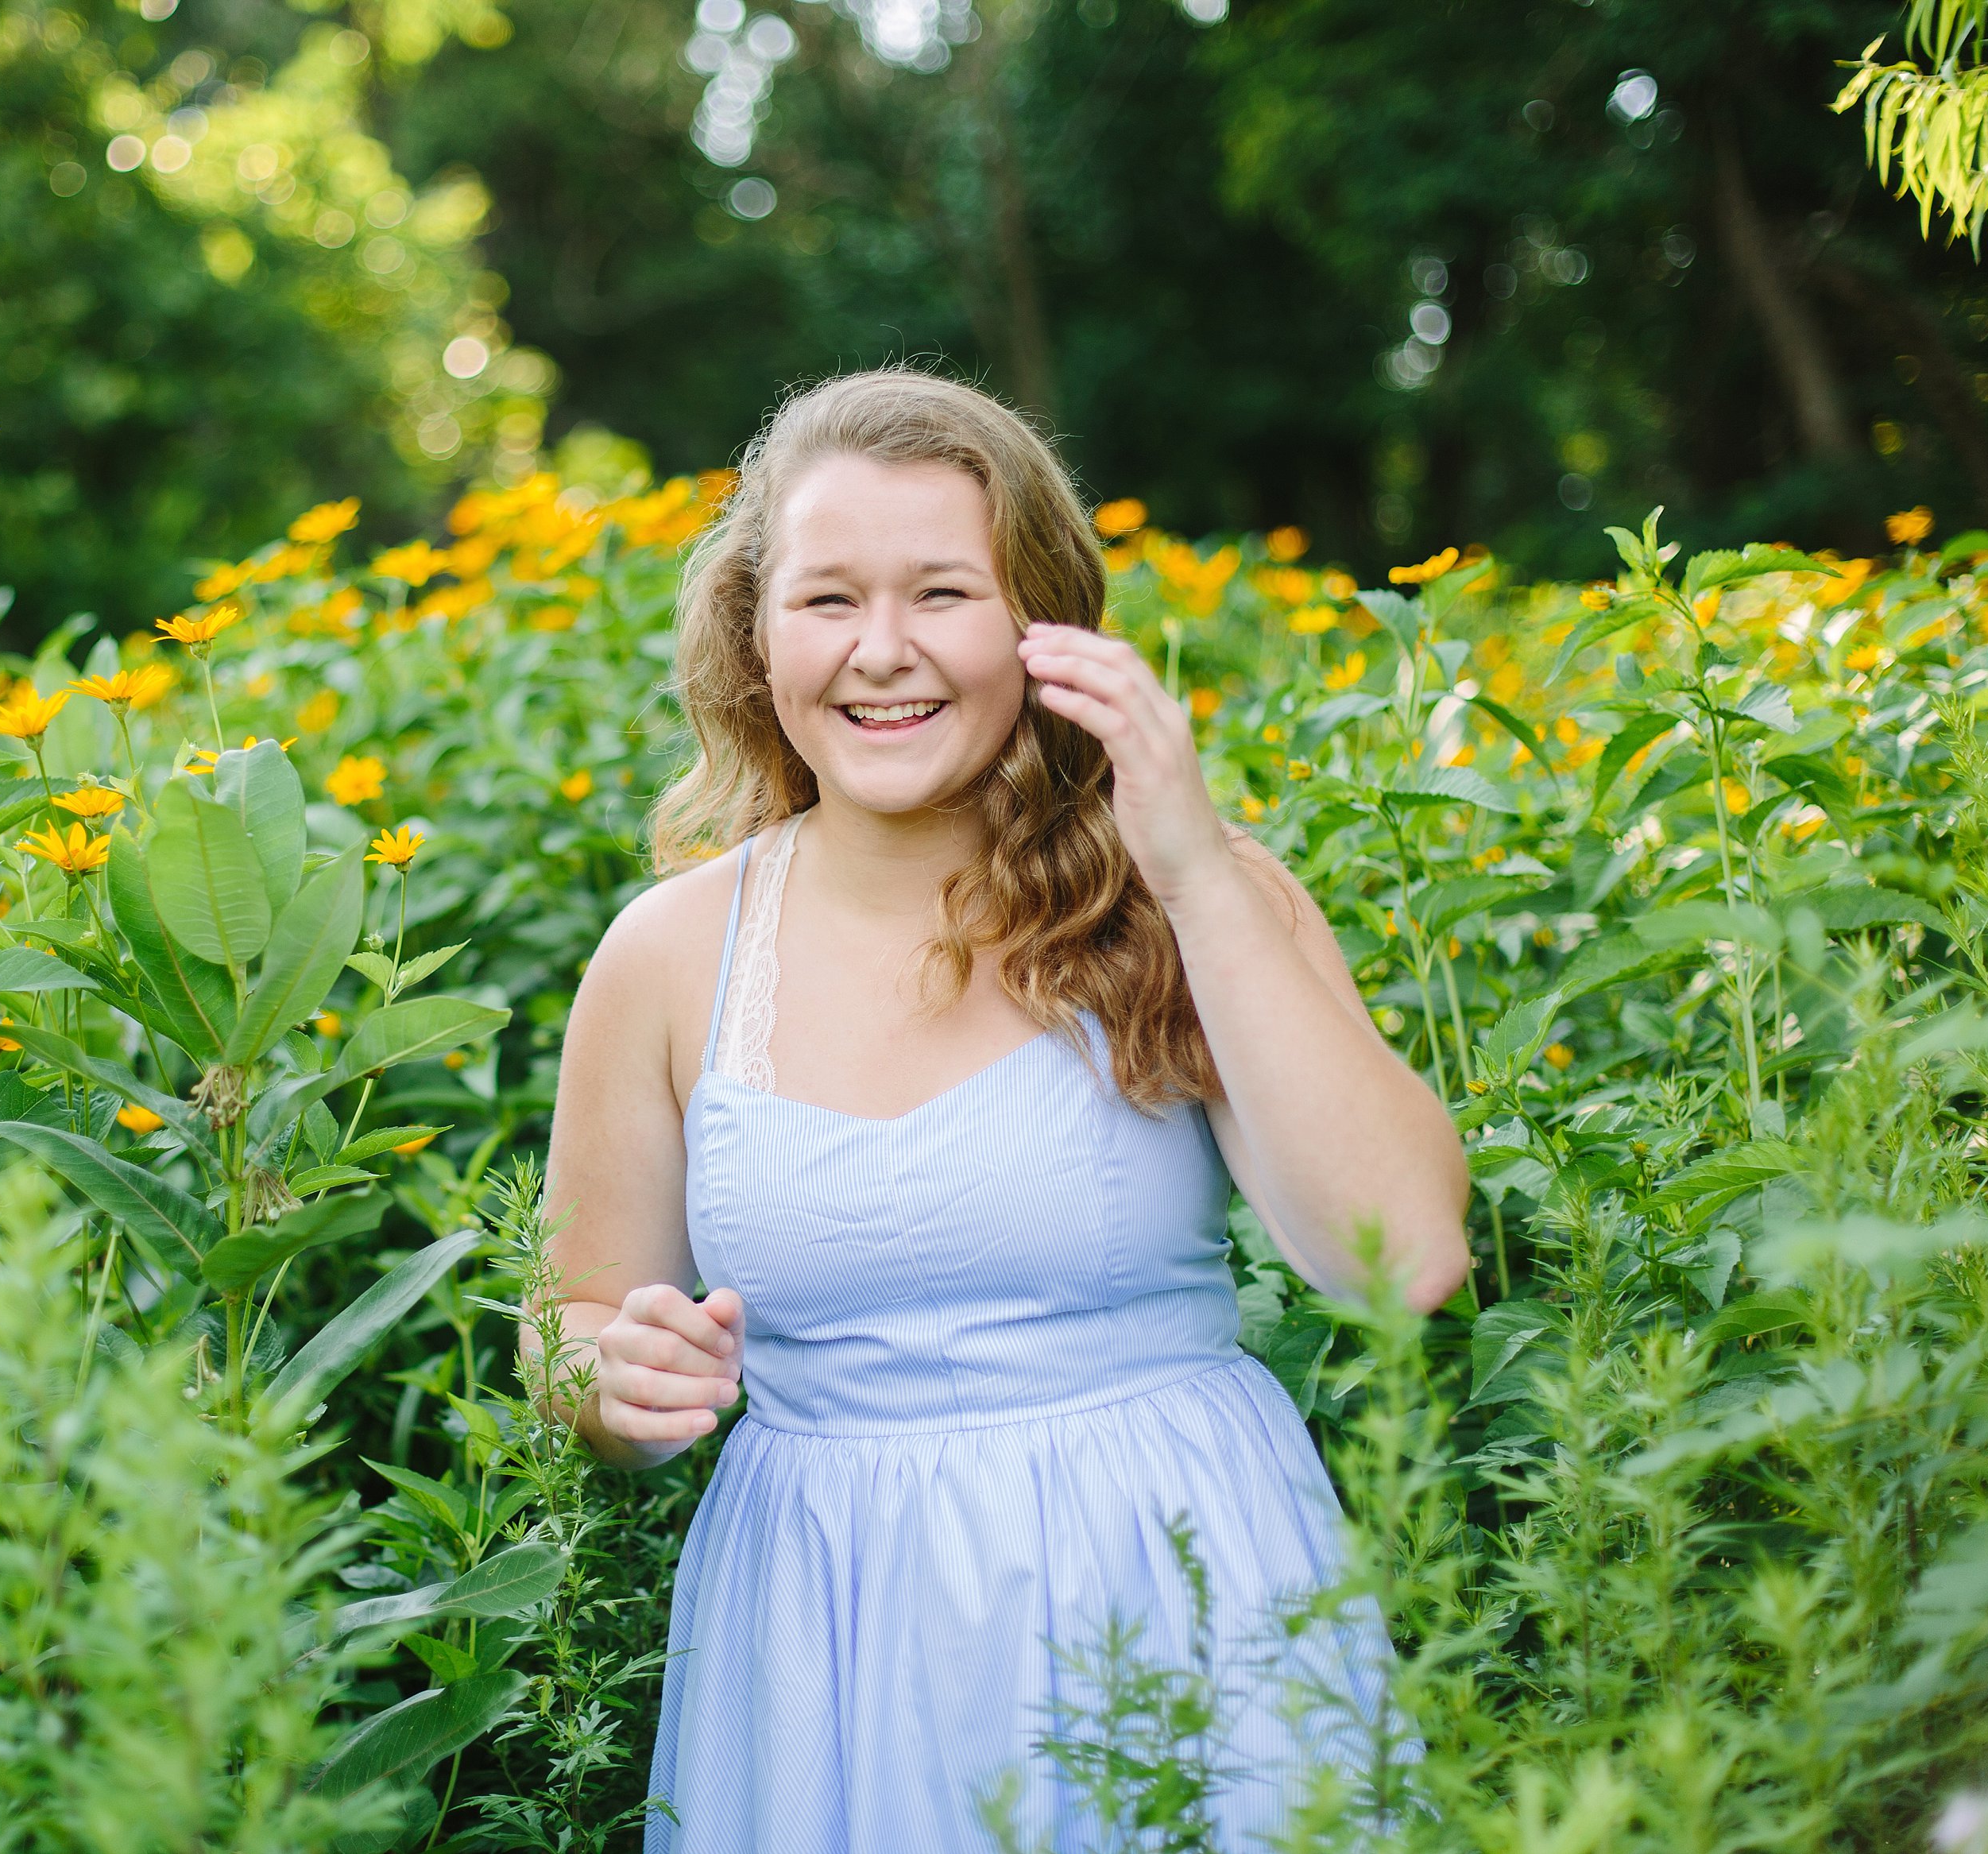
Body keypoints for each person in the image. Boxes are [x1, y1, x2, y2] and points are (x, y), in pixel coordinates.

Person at [530, 369, 1470, 1852]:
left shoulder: (1181, 898)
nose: (882, 652)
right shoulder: (664, 958)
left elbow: (1402, 1258)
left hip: (1178, 1601)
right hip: (822, 1646)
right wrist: (608, 1381)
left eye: (943, 593)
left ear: (1041, 624)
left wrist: (1197, 867)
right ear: (754, 631)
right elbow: (576, 1316)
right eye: (828, 598)